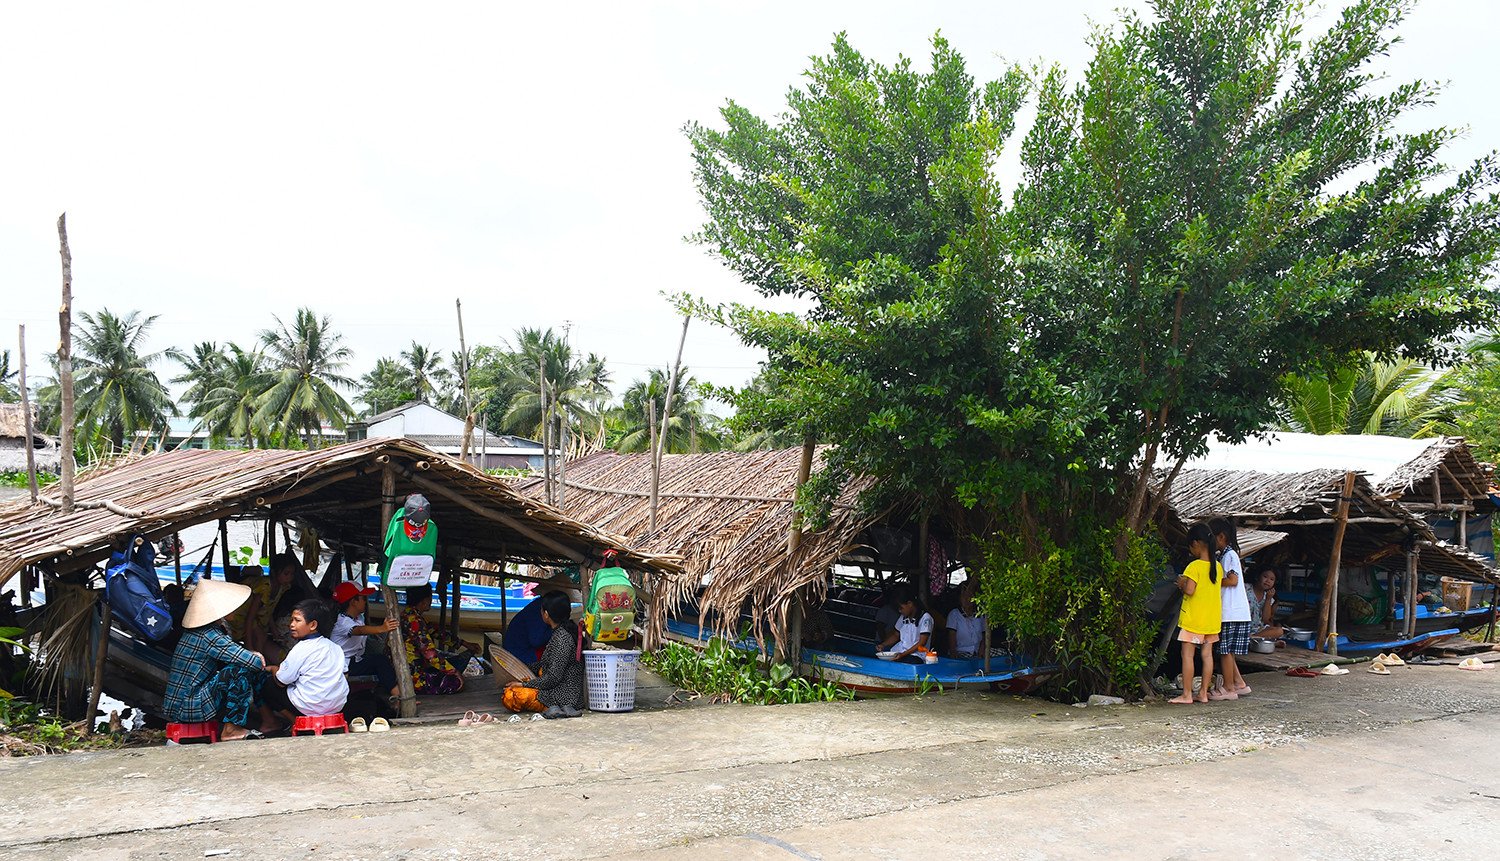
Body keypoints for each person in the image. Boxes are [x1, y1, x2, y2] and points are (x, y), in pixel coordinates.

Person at [163, 578, 280, 740]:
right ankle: (231, 729)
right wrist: (257, 655)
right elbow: (253, 662)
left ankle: (267, 720)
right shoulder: (209, 635)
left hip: (182, 703)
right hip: (187, 706)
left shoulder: (205, 630)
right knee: (240, 671)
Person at [502, 590, 587, 718]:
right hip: (559, 690)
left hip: (563, 696)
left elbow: (553, 678)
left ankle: (553, 707)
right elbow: (546, 664)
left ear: (546, 614)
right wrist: (523, 671)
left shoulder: (562, 638)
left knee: (511, 695)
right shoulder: (560, 633)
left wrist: (523, 684)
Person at [262, 598, 349, 720]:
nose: (291, 624)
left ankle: (294, 721)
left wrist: (273, 668)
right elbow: (345, 675)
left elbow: (282, 681)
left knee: (268, 685)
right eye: (291, 620)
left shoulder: (301, 648)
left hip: (309, 707)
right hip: (337, 707)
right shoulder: (335, 647)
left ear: (313, 625)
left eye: (297, 620)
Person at [1170, 522, 1223, 705]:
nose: (1190, 550)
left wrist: (1181, 583)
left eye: (1190, 546)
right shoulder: (1218, 567)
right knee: (1207, 657)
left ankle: (1186, 694)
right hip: (1211, 620)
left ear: (1196, 543)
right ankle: (1203, 693)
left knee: (1187, 656)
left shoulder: (1193, 567)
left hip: (1194, 620)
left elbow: (1190, 590)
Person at [330, 580, 400, 703]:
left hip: (356, 660)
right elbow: (359, 631)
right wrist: (382, 628)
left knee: (382, 661)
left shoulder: (358, 618)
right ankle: (399, 697)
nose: (365, 601)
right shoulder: (343, 622)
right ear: (353, 602)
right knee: (380, 661)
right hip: (343, 665)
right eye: (363, 599)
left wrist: (383, 630)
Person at [1210, 518, 1252, 700]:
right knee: (1229, 651)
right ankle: (1239, 683)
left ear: (1221, 537)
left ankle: (1228, 688)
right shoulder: (1226, 555)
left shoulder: (1229, 555)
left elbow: (1232, 580)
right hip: (1235, 612)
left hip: (1231, 612)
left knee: (1225, 652)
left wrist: (1211, 582)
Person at [401, 583, 470, 694]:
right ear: (424, 601)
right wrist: (454, 671)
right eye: (430, 597)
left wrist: (463, 643)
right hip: (410, 676)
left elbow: (435, 632)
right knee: (456, 683)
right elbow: (430, 655)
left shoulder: (408, 614)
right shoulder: (414, 621)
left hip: (405, 669)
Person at [876, 587, 933, 662]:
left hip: (917, 655)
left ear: (910, 604)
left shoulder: (925, 618)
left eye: (901, 608)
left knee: (909, 661)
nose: (899, 611)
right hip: (900, 652)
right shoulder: (903, 617)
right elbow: (896, 635)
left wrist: (903, 654)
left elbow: (922, 643)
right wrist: (883, 645)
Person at [946, 582, 987, 659]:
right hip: (962, 651)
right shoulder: (954, 614)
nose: (967, 600)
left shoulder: (980, 614)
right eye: (964, 597)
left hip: (979, 650)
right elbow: (952, 636)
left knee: (1002, 653)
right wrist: (953, 652)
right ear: (959, 598)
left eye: (969, 597)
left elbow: (985, 634)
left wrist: (982, 648)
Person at [1249, 565, 1283, 639]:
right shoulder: (1245, 589)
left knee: (1279, 631)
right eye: (1265, 577)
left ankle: (1253, 638)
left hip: (1258, 630)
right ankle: (1255, 640)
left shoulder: (1269, 597)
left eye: (1272, 579)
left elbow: (1266, 619)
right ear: (1258, 576)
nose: (1268, 581)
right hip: (1243, 627)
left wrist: (1268, 599)